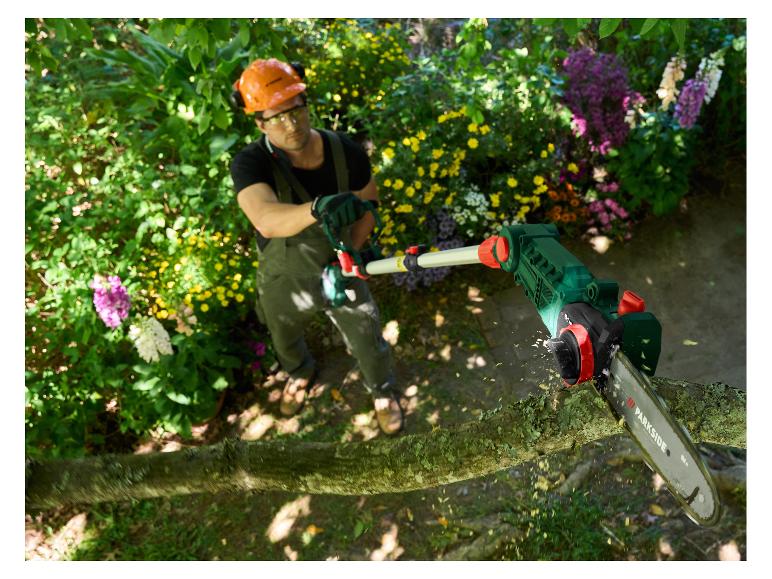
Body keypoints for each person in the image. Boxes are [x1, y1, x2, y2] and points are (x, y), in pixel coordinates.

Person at [229, 58, 404, 435]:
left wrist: (353, 253)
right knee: (282, 329)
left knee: (365, 332)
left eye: (296, 110)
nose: (290, 124)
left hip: (341, 264)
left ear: (306, 103)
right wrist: (315, 209)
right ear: (258, 122)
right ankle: (299, 372)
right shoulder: (250, 164)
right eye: (276, 117)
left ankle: (382, 391)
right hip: (284, 271)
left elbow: (368, 203)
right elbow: (265, 218)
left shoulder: (346, 151)